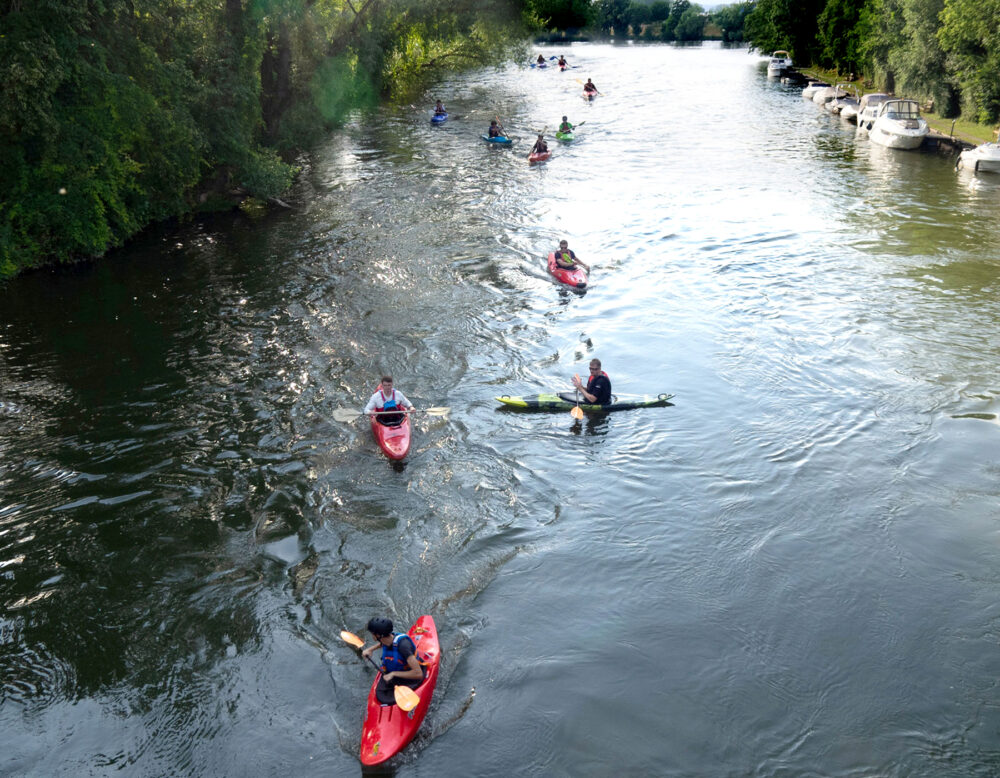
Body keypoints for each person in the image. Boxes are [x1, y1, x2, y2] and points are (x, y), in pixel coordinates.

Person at [362, 617, 425, 706]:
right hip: (393, 675)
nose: (372, 635)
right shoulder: (387, 639)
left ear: (378, 635)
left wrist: (393, 674)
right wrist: (370, 649)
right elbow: (384, 644)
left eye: (372, 633)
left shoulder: (404, 646)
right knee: (381, 695)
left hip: (409, 677)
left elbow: (418, 674)